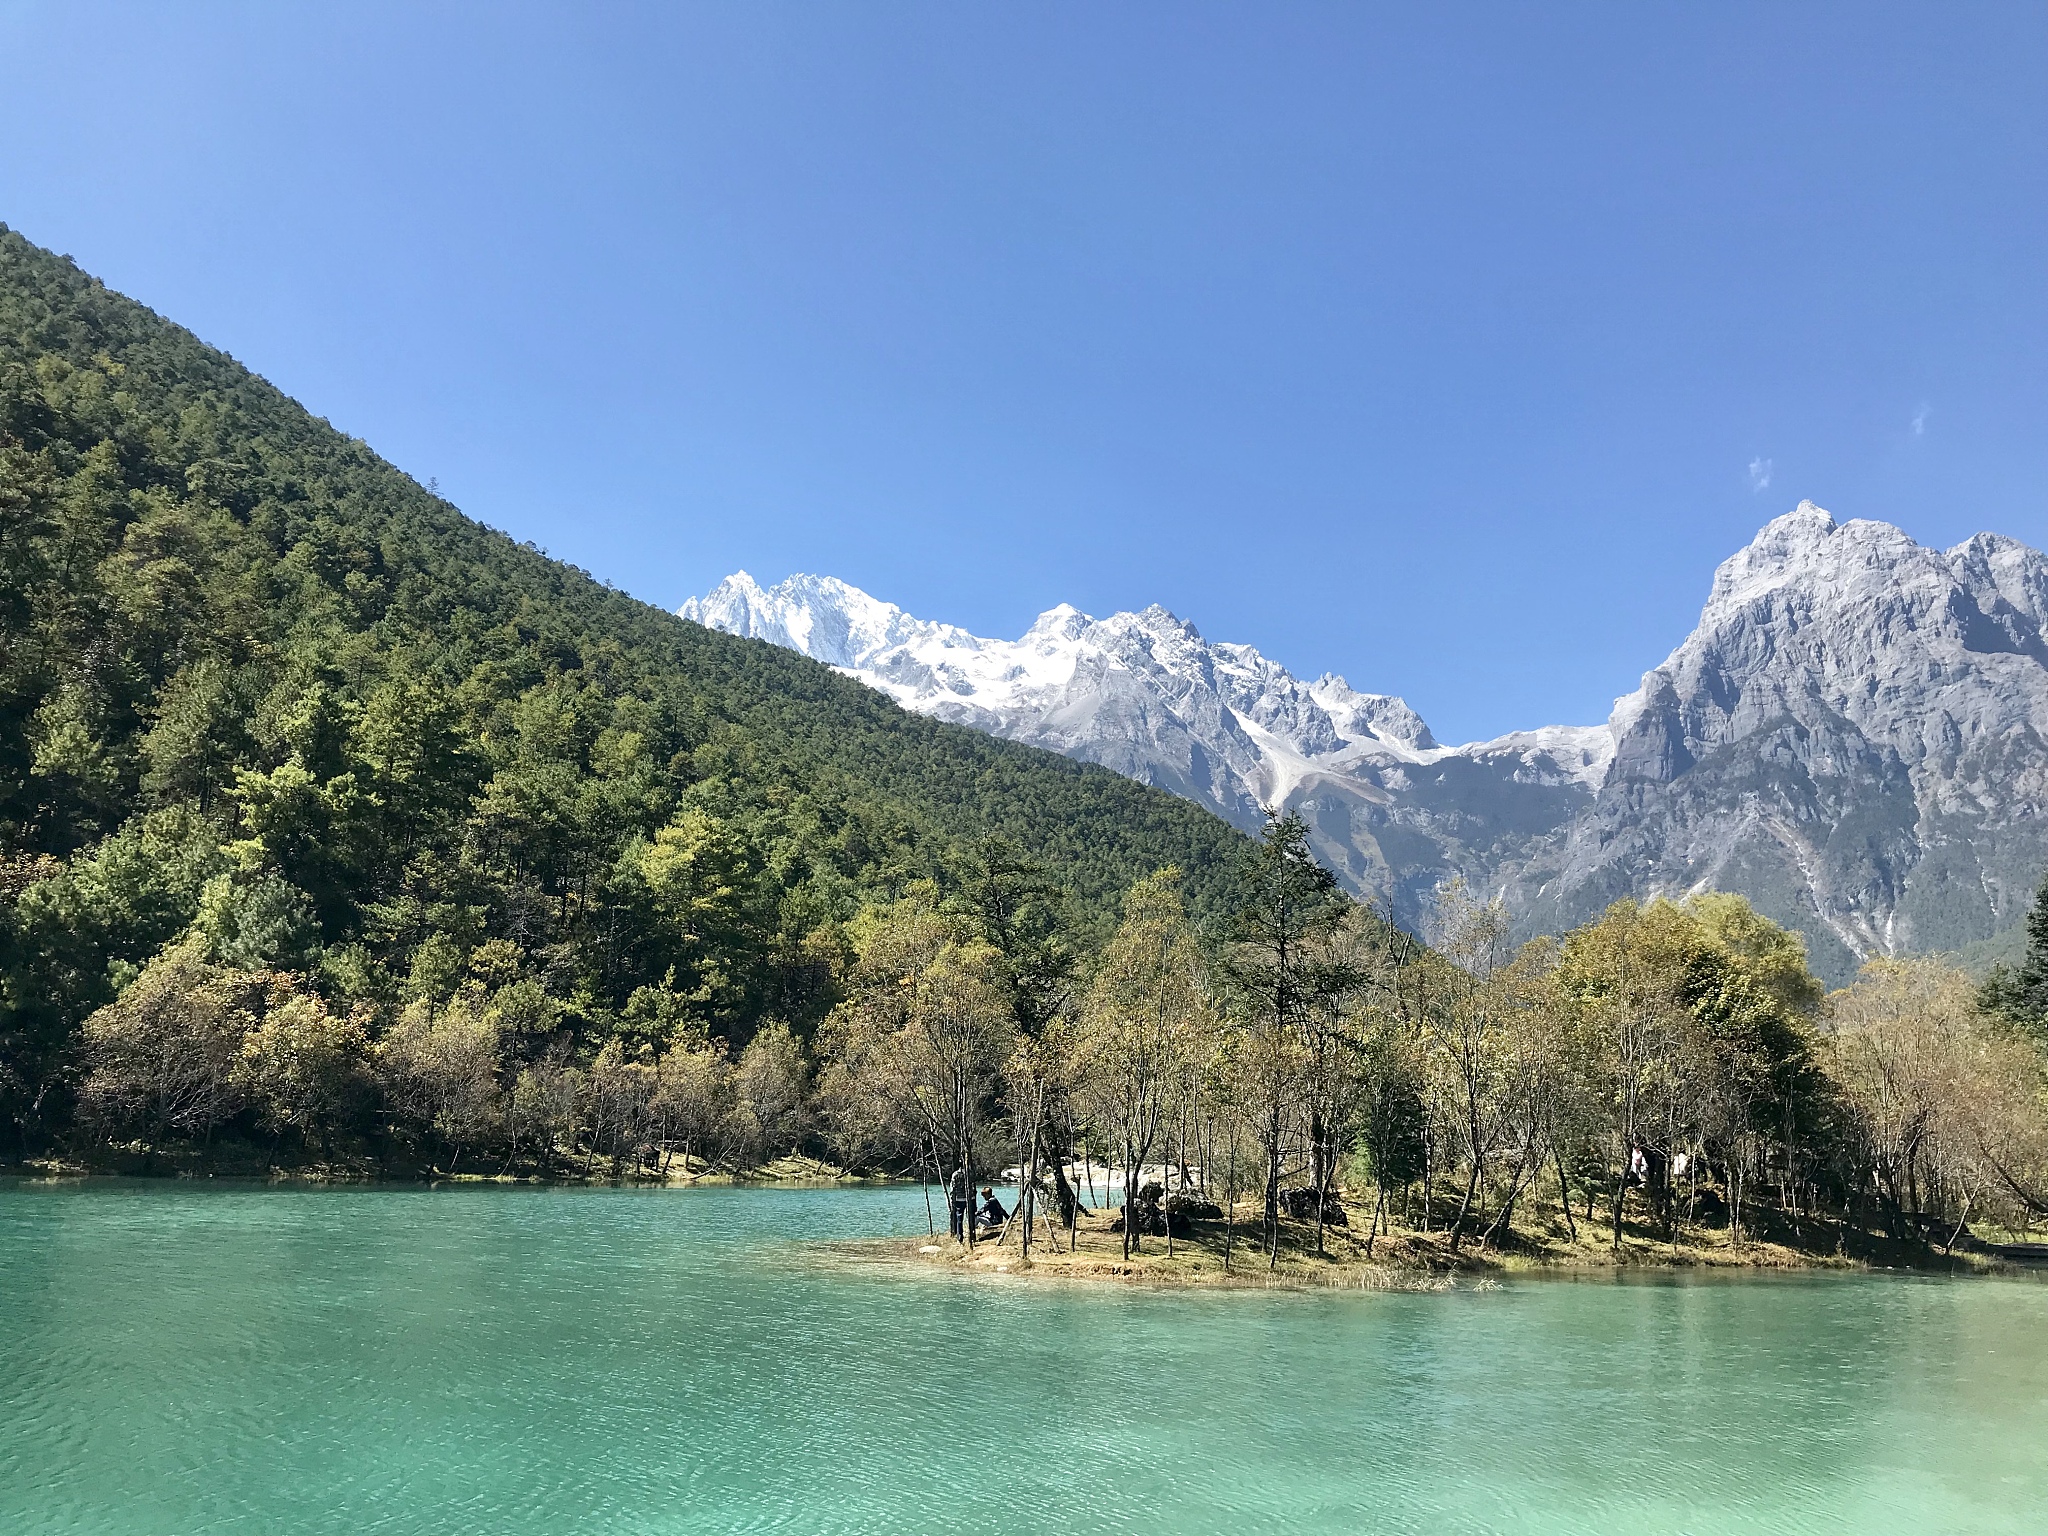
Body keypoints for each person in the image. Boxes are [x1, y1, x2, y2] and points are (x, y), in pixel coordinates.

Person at [947, 1166, 969, 1240]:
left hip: (958, 1199)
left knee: (959, 1218)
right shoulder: (969, 1173)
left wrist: (952, 1199)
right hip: (968, 1199)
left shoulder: (955, 1174)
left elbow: (952, 1188)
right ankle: (970, 1233)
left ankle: (960, 1236)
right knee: (970, 1217)